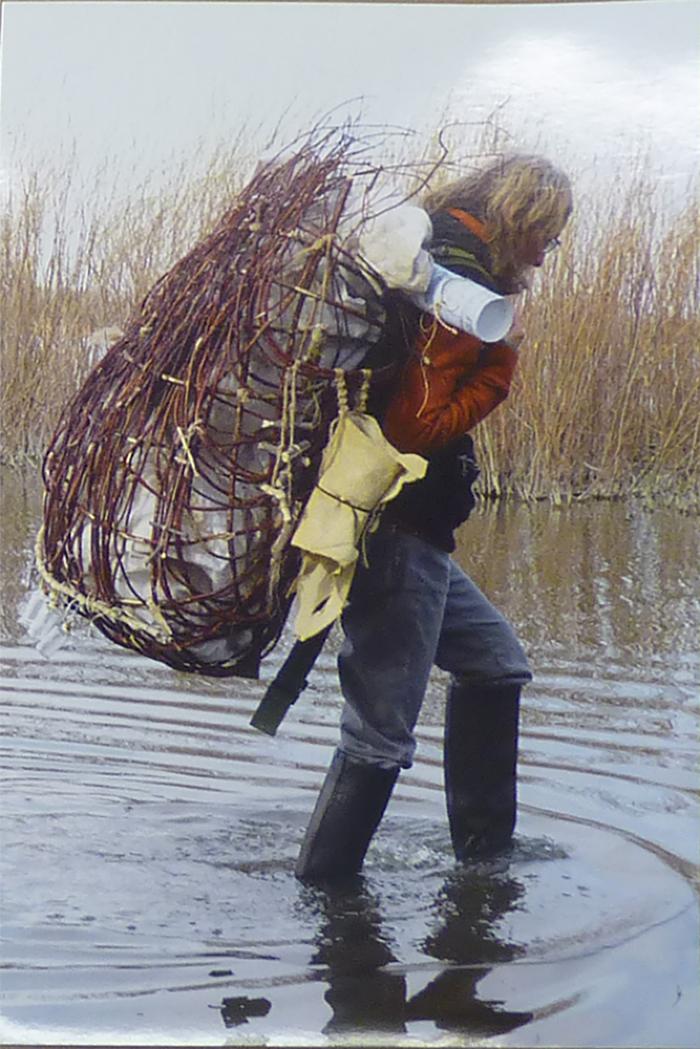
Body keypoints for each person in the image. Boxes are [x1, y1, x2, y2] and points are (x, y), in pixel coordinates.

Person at [295, 154, 573, 881]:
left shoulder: (438, 255)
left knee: (495, 663)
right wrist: (501, 367)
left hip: (415, 533)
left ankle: (482, 867)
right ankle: (326, 897)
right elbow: (417, 426)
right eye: (549, 231)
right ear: (521, 215)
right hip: (395, 531)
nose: (549, 250)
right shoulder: (459, 281)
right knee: (379, 736)